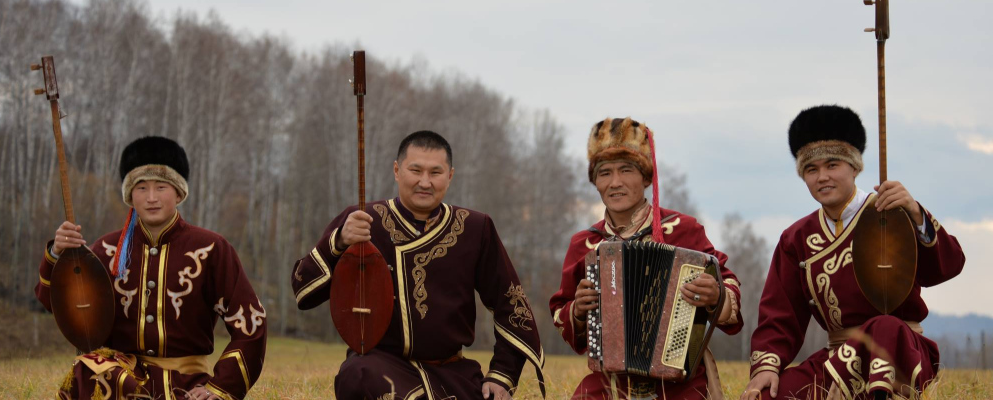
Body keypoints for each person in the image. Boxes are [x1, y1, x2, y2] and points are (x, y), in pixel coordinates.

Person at [291, 130, 546, 400]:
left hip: (453, 372)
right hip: (380, 369)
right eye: (416, 170)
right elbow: (302, 290)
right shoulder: (363, 219)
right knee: (357, 374)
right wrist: (338, 241)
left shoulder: (475, 227)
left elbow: (511, 302)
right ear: (397, 170)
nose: (425, 182)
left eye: (435, 173)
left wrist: (502, 375)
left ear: (450, 176)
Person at [740, 105, 966, 400]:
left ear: (855, 167)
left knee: (884, 328)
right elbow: (780, 315)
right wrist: (766, 366)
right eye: (811, 169)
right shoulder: (796, 239)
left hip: (900, 351)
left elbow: (947, 267)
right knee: (772, 395)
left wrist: (915, 213)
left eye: (832, 165)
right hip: (839, 359)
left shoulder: (892, 214)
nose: (822, 177)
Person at [36, 136, 267, 400]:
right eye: (142, 188)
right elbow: (57, 304)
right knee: (89, 370)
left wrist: (220, 387)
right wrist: (57, 253)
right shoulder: (107, 250)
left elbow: (251, 323)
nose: (151, 198)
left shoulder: (211, 249)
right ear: (130, 195)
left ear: (179, 193)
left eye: (161, 187)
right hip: (122, 383)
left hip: (188, 385)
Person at [549, 117, 744, 400]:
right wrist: (577, 311)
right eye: (604, 173)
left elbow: (728, 282)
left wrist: (716, 295)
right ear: (595, 182)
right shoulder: (585, 244)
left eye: (626, 170)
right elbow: (560, 310)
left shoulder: (683, 229)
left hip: (679, 378)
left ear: (646, 177)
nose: (615, 183)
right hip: (611, 379)